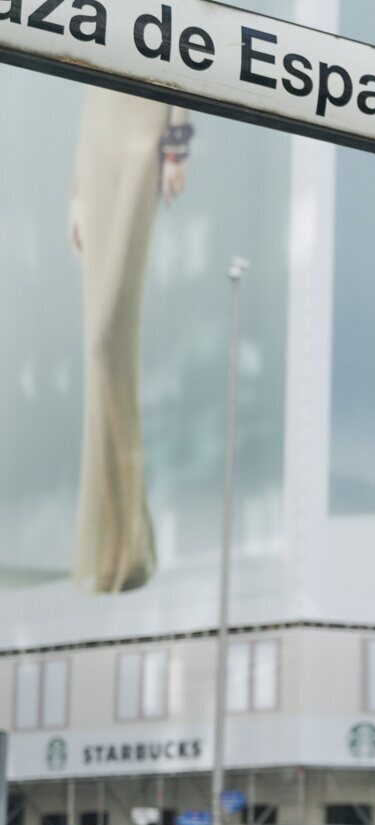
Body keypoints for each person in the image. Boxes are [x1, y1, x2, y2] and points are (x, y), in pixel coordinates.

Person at [68, 91, 193, 594]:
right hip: (96, 129)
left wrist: (178, 143)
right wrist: (76, 190)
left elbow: (191, 26)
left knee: (108, 341)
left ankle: (126, 547)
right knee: (97, 346)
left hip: (145, 129)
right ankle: (117, 551)